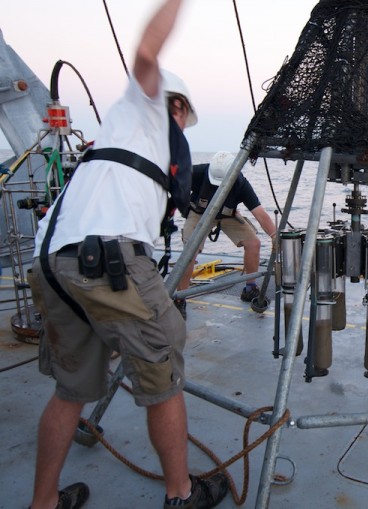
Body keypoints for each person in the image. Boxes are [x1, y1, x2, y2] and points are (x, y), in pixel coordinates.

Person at [26, 1, 229, 508]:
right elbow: (146, 52)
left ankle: (44, 502)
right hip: (107, 261)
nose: (181, 122)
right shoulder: (147, 108)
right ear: (174, 103)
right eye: (181, 112)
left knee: (71, 390)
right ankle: (182, 495)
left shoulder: (117, 142)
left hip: (51, 265)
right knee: (164, 376)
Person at [175, 151, 277, 317]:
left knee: (254, 244)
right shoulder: (197, 173)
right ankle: (180, 298)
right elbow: (172, 182)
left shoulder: (241, 184)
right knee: (190, 252)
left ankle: (250, 288)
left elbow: (260, 214)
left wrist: (275, 236)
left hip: (228, 214)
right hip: (199, 213)